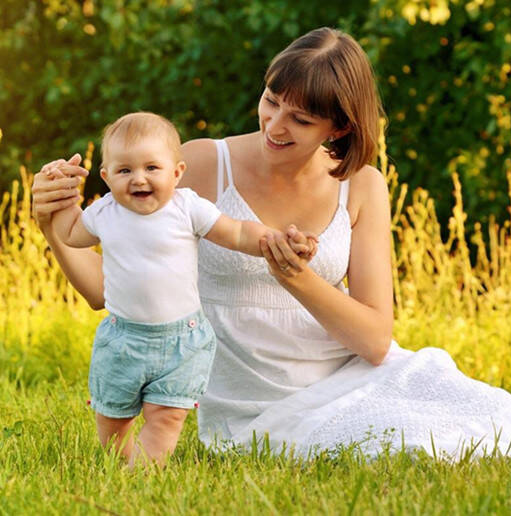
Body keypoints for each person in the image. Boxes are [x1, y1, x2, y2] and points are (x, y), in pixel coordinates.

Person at [32, 27, 511, 460]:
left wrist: (298, 278)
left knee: (506, 429)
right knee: (394, 448)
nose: (274, 125)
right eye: (271, 101)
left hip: (348, 373)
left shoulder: (363, 186)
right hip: (250, 399)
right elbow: (106, 291)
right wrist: (54, 225)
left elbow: (375, 340)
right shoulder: (201, 167)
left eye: (300, 119)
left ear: (338, 127)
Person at [48, 111, 317, 467]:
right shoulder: (104, 214)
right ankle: (122, 461)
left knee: (167, 416)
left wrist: (274, 238)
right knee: (112, 419)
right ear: (106, 176)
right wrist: (63, 198)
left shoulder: (186, 207)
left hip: (182, 340)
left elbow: (236, 232)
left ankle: (142, 475)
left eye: (151, 168)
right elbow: (68, 234)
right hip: (122, 340)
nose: (138, 179)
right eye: (124, 170)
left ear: (176, 173)